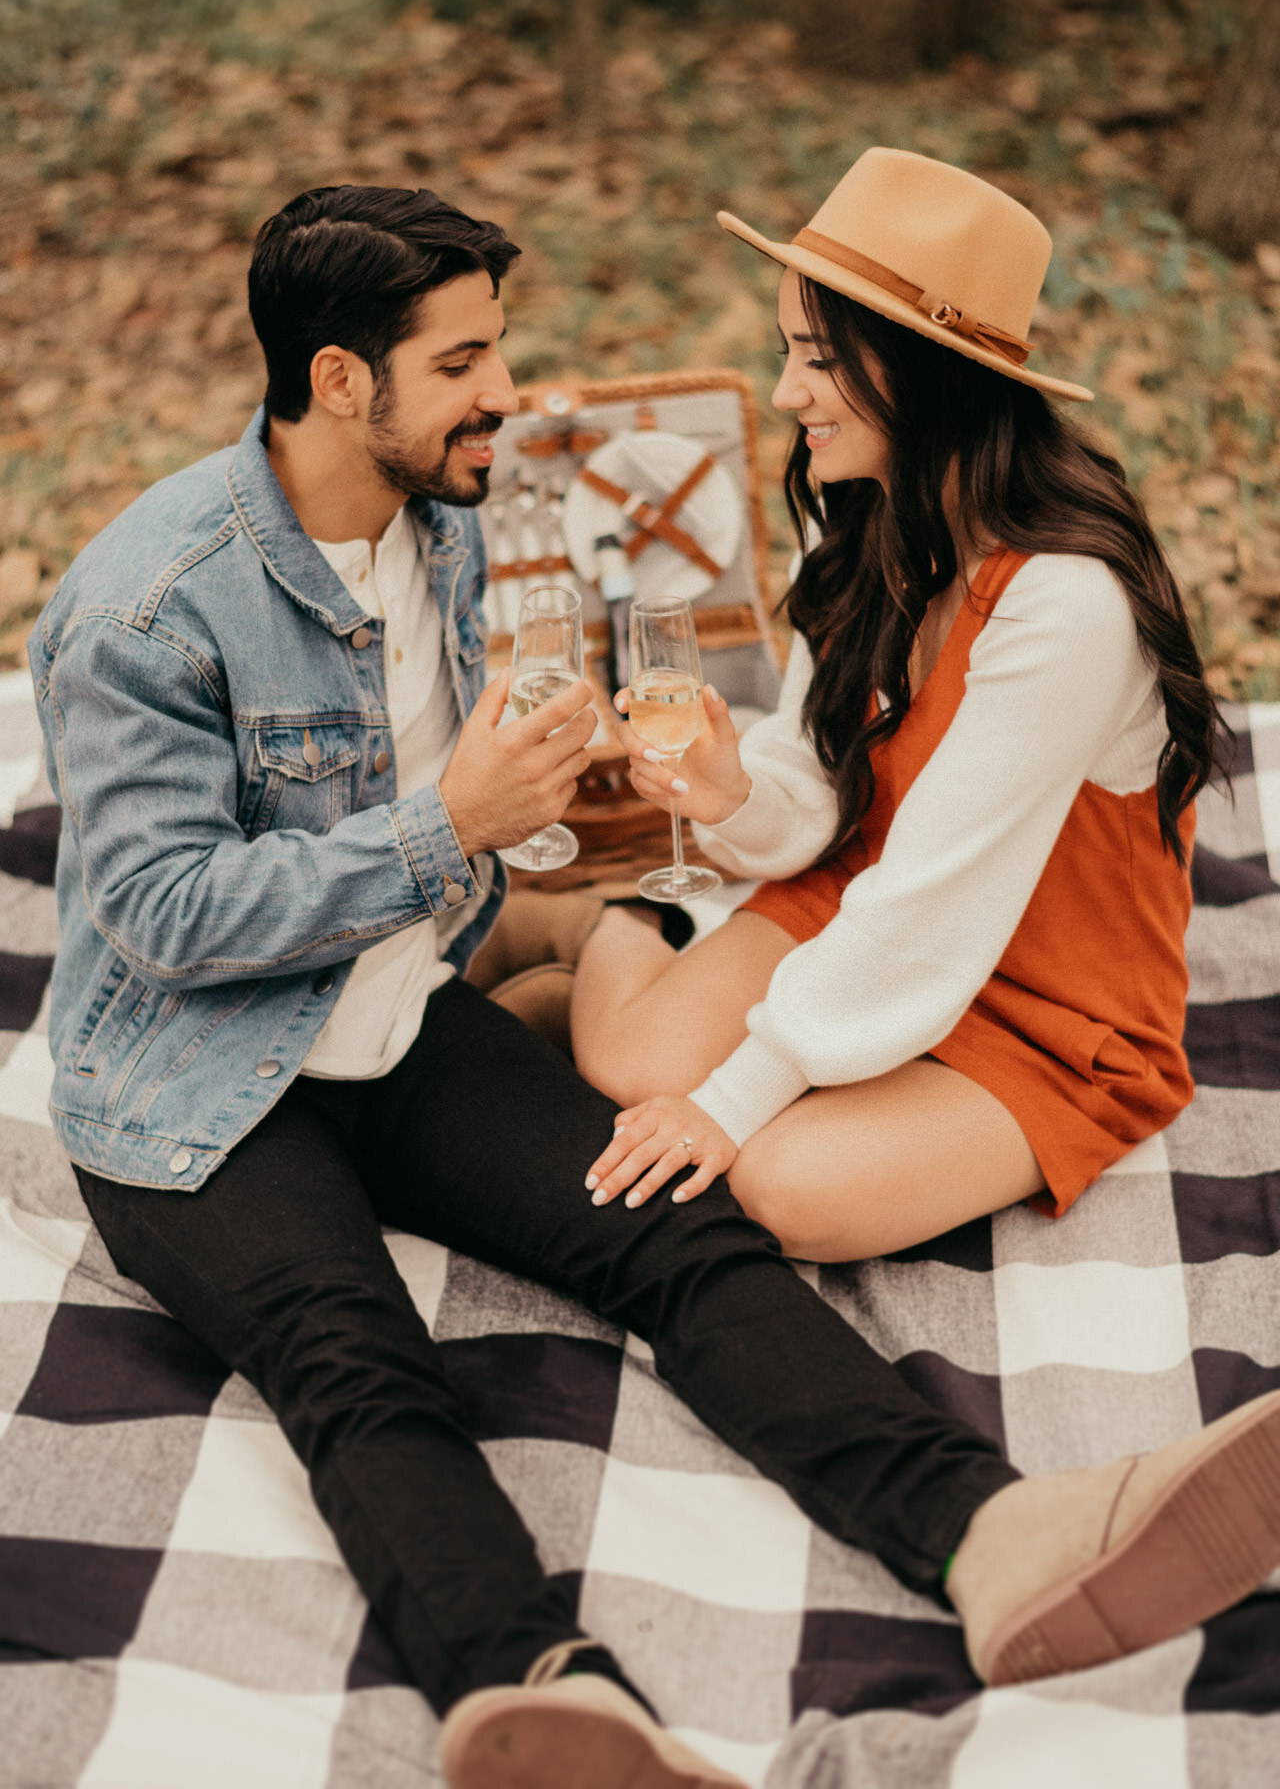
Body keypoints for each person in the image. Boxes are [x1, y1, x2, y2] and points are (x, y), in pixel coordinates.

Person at [28, 181, 1280, 1789]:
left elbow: (715, 730)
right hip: (193, 1086)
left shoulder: (463, 531)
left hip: (405, 1021)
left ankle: (992, 1533)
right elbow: (150, 914)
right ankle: (547, 1692)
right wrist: (451, 838)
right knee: (356, 1362)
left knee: (676, 1223)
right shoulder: (144, 603)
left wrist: (579, 817)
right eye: (469, 362)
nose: (511, 397)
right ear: (342, 381)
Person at [574, 147, 1218, 1264]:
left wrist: (728, 1107)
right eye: (787, 354)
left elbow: (932, 907)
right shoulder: (865, 517)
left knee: (787, 1185)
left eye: (817, 359)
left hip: (1044, 1003)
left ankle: (596, 956)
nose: (785, 394)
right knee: (629, 1066)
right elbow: (820, 792)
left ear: (924, 369)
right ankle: (621, 914)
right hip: (868, 901)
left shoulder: (1062, 602)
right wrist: (732, 798)